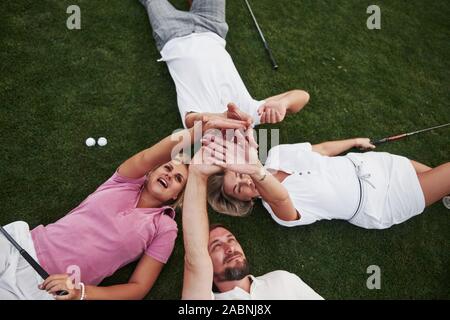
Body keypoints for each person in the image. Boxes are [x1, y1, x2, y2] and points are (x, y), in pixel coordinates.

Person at [0, 118, 246, 300]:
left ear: (176, 197)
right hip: (19, 247)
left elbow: (138, 287)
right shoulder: (124, 181)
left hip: (46, 288)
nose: (170, 175)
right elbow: (150, 155)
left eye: (178, 179)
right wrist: (201, 129)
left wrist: (81, 292)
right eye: (167, 168)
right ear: (151, 172)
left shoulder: (164, 226)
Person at [204, 129, 450, 229]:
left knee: (439, 178)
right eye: (239, 188)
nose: (245, 181)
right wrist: (255, 171)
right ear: (245, 201)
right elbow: (281, 195)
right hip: (380, 202)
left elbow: (321, 150)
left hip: (376, 164)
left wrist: (355, 142)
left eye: (238, 174)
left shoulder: (278, 153)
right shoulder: (278, 211)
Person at [139, 0, 310, 128]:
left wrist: (222, 117)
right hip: (212, 28)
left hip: (172, 34)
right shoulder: (250, 115)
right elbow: (303, 95)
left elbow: (191, 120)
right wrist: (283, 103)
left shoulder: (203, 128)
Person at [181, 147, 323, 299]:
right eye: (216, 246)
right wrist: (197, 174)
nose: (229, 248)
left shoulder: (282, 280)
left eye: (232, 240)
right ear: (206, 262)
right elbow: (195, 256)